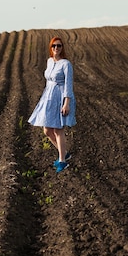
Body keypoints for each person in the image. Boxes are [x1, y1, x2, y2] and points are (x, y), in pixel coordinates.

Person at [28, 36, 77, 173]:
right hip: (48, 97)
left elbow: (68, 85)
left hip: (61, 98)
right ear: (50, 48)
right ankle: (64, 153)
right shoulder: (49, 61)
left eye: (59, 46)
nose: (56, 48)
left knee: (58, 129)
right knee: (47, 130)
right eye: (54, 46)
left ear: (62, 48)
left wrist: (66, 103)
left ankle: (62, 161)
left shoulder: (66, 64)